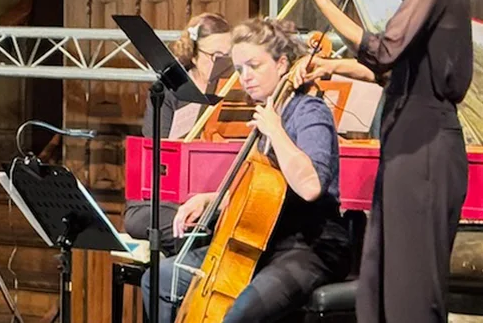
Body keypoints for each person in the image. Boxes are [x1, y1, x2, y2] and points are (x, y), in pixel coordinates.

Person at [289, 0, 483, 323]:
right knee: (380, 285)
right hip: (411, 142)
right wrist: (331, 64)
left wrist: (321, 0)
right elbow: (397, 73)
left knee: (409, 296)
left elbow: (383, 50)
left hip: (424, 151)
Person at [141, 17, 351, 323]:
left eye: (254, 66)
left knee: (239, 313)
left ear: (282, 64)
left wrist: (276, 131)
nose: (245, 77)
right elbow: (263, 191)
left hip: (309, 246)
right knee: (158, 278)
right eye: (239, 69)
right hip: (262, 243)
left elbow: (310, 187)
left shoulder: (309, 111)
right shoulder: (267, 111)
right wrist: (210, 199)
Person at [124, 12, 231, 257]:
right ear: (194, 54)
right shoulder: (169, 91)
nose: (222, 64)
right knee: (139, 219)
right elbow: (156, 152)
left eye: (228, 57)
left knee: (200, 226)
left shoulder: (236, 90)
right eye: (215, 56)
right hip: (171, 193)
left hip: (212, 192)